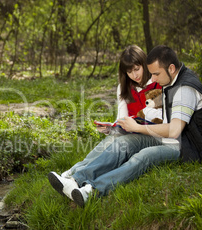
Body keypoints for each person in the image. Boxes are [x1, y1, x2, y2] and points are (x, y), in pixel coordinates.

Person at [48, 45, 202, 207]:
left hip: (188, 146)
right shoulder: (170, 81)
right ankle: (75, 180)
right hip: (164, 137)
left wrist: (138, 127)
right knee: (121, 143)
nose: (154, 79)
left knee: (143, 157)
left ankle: (91, 190)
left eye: (156, 74)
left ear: (171, 69)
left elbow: (174, 131)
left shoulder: (185, 89)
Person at [49, 44, 161, 199]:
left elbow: (159, 119)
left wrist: (134, 125)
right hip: (131, 131)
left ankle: (73, 176)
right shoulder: (124, 87)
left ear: (144, 64)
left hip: (151, 134)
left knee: (117, 142)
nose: (134, 75)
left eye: (137, 69)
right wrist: (110, 128)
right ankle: (73, 175)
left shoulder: (157, 84)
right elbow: (121, 119)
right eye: (129, 71)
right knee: (112, 138)